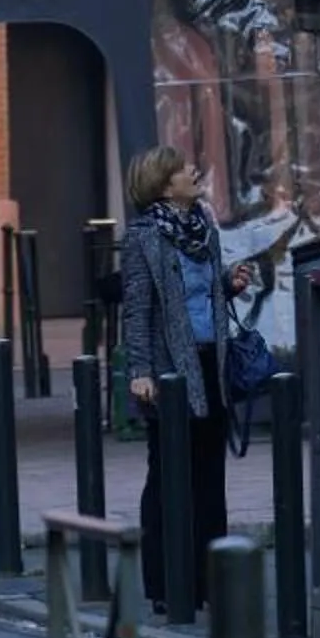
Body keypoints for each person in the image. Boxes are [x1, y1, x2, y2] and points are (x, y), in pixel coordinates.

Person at [119, 146, 251, 613]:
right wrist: (140, 371)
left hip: (211, 364)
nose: (193, 171)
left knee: (210, 475)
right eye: (181, 169)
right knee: (169, 475)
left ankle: (210, 582)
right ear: (163, 184)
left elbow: (204, 291)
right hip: (170, 373)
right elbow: (136, 310)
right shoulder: (143, 237)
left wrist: (228, 284)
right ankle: (166, 585)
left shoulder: (203, 227)